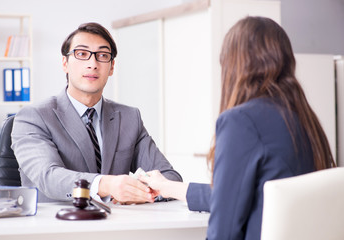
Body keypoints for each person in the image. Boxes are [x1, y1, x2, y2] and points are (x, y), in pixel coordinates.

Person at [140, 16, 335, 240]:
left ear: (234, 65)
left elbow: (224, 231)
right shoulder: (305, 119)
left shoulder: (241, 121)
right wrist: (168, 187)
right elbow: (244, 194)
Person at [11, 22, 182, 203]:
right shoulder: (34, 117)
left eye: (102, 55)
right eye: (82, 54)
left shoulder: (129, 118)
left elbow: (170, 178)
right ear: (65, 63)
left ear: (112, 67)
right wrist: (106, 185)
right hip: (57, 224)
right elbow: (49, 177)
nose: (93, 64)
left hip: (119, 225)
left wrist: (140, 193)